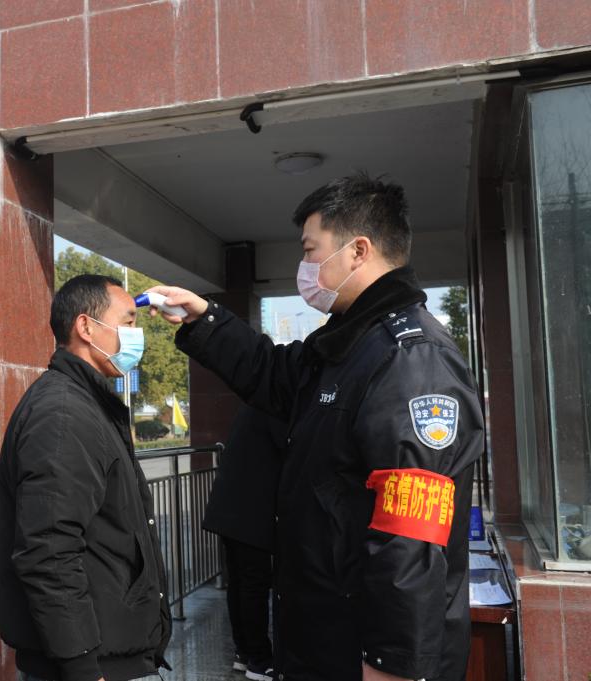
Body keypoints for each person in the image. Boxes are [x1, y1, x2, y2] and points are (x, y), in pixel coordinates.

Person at [146, 174, 483, 681]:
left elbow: (409, 538)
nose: (304, 266)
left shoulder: (411, 359)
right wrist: (204, 318)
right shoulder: (347, 343)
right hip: (322, 638)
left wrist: (391, 664)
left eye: (310, 250)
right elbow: (273, 373)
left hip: (363, 655)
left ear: (358, 250)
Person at [0, 274, 171, 681]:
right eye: (128, 323)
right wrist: (81, 665)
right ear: (86, 327)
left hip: (110, 649)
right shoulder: (63, 414)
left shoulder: (86, 403)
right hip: (88, 664)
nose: (136, 336)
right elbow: (49, 551)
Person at [202, 404, 283, 680]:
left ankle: (245, 652)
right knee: (253, 584)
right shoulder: (274, 409)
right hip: (248, 512)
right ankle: (259, 660)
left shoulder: (253, 407)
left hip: (231, 509)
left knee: (239, 582)